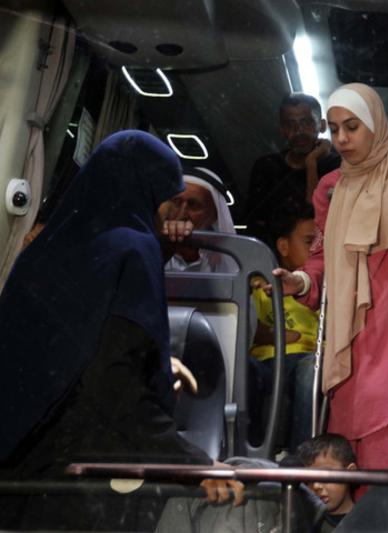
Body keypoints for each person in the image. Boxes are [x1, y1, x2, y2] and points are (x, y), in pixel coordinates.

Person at [0, 131, 241, 528]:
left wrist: (156, 362)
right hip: (72, 482)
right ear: (148, 189)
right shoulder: (133, 249)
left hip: (15, 468)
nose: (170, 211)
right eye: (169, 196)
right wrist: (191, 463)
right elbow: (111, 383)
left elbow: (63, 348)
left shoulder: (44, 251)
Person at [272, 83, 388, 474]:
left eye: (352, 126)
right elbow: (322, 255)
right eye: (334, 129)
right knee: (348, 423)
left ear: (375, 124)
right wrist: (302, 282)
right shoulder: (330, 188)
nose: (341, 139)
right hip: (348, 329)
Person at [249, 202, 318, 450]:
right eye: (309, 242)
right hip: (269, 359)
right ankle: (252, 451)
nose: (316, 250)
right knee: (247, 370)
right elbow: (249, 329)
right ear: (283, 246)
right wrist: (282, 335)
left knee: (310, 371)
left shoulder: (321, 288)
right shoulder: (259, 282)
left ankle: (301, 455)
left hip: (308, 358)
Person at [246, 93, 341, 234]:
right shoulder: (266, 167)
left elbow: (315, 220)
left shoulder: (336, 166)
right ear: (282, 129)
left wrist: (311, 164)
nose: (299, 131)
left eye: (307, 122)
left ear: (321, 126)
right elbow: (255, 224)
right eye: (290, 125)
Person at [163, 166, 237, 273]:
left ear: (214, 215)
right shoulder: (154, 246)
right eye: (176, 202)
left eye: (193, 205)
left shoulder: (226, 258)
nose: (182, 214)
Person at [297, 433, 357, 531]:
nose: (316, 486)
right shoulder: (303, 523)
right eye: (309, 479)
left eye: (324, 475)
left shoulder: (366, 523)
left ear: (350, 473)